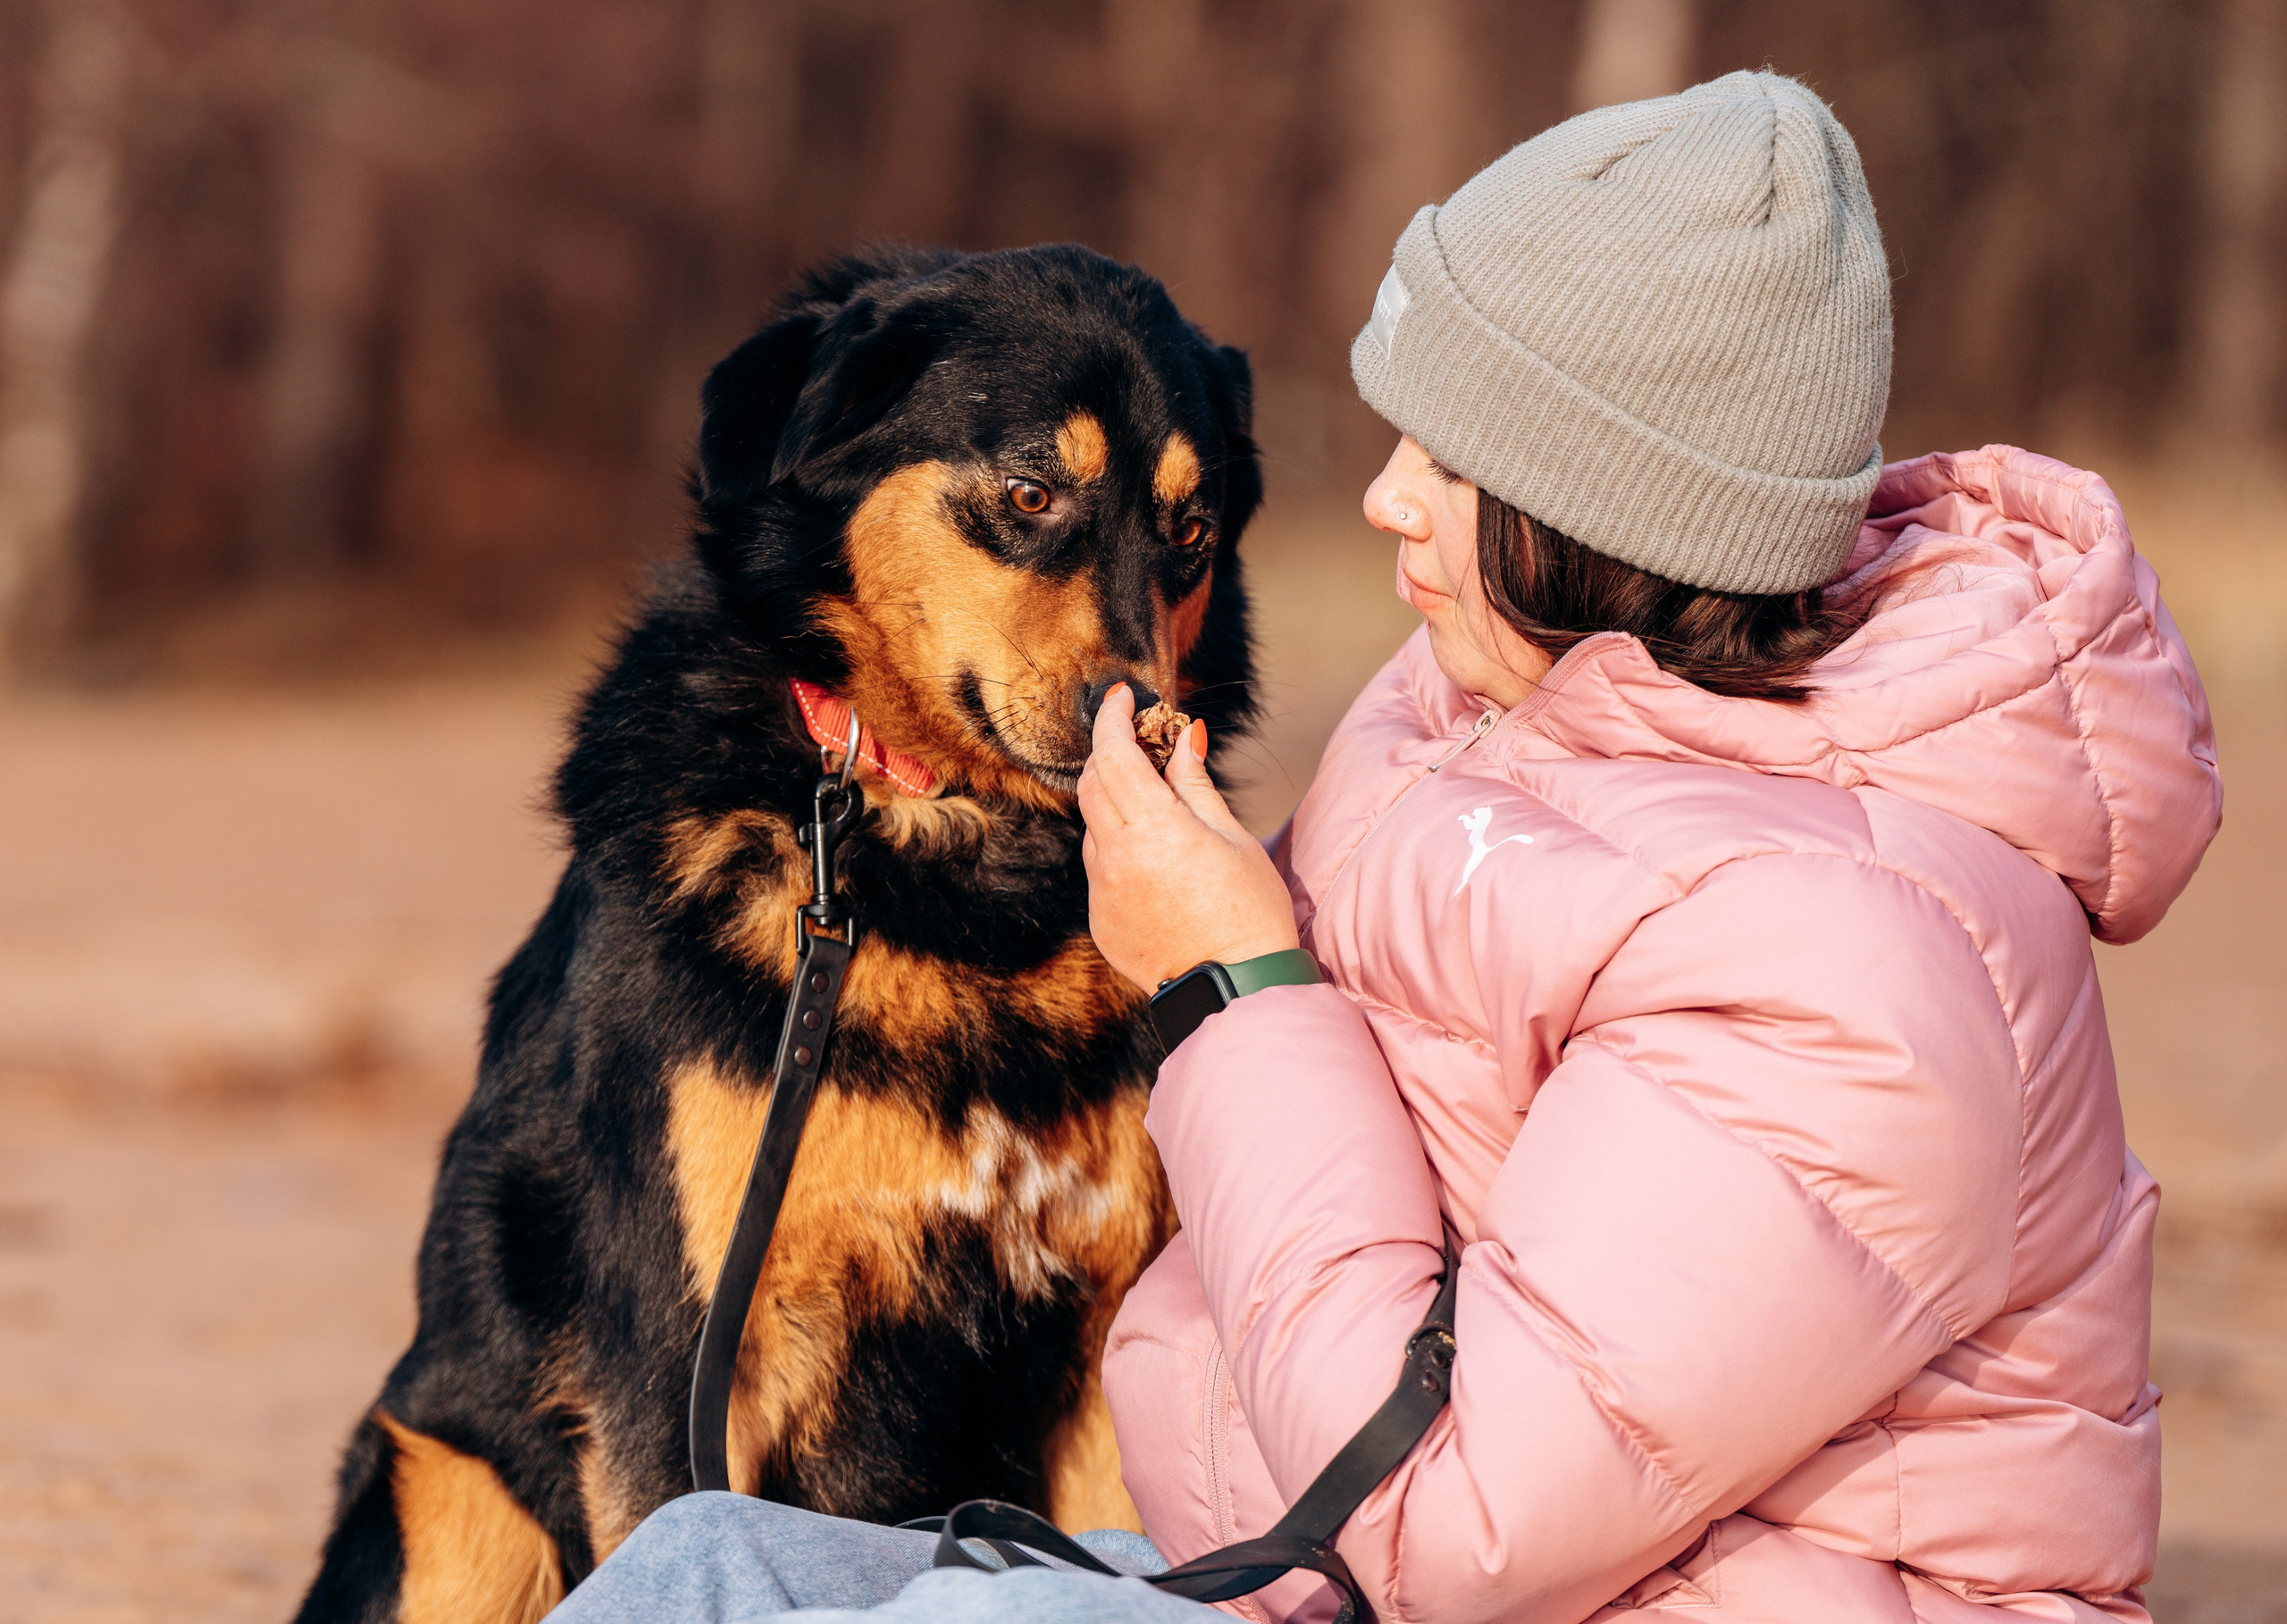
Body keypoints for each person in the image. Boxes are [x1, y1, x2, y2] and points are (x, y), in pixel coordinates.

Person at [549, 71, 2217, 1623]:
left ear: (1606, 515)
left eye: (1454, 455)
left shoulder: (1857, 972)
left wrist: (1233, 972)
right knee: (706, 1559)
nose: (1383, 498)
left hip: (1451, 1573)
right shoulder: (1478, 713)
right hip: (1298, 1561)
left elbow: (1445, 1522)